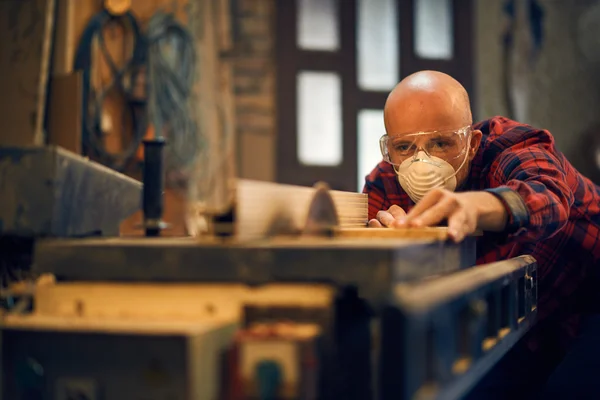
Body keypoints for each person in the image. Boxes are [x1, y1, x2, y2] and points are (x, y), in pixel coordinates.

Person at [363, 70, 600, 399]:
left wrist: (481, 206)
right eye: (404, 146)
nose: (421, 161)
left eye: (441, 143)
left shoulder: (509, 146)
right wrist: (388, 243)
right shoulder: (385, 182)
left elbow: (546, 196)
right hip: (523, 319)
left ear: (472, 143)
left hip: (588, 290)